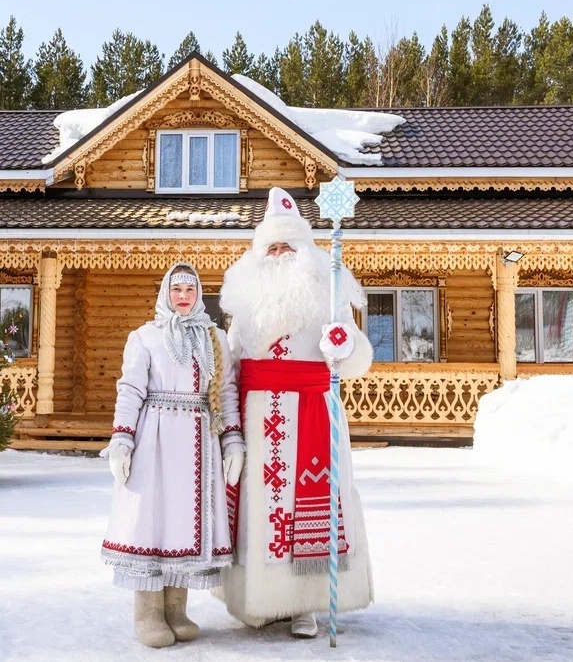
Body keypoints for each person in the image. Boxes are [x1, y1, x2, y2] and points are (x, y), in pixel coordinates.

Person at [214, 186, 375, 638]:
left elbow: (355, 358)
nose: (280, 253)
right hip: (259, 415)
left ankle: (305, 604)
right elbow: (233, 362)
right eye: (272, 246)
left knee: (309, 504)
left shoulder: (328, 294)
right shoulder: (244, 305)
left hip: (312, 412)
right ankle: (260, 600)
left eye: (288, 245)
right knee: (261, 509)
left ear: (305, 250)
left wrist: (344, 345)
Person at [100, 262, 246, 648]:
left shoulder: (215, 339)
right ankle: (147, 612)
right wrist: (122, 440)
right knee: (153, 520)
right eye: (176, 289)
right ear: (166, 293)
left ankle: (176, 609)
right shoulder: (145, 337)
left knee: (185, 522)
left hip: (199, 443)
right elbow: (130, 389)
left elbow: (227, 392)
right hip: (156, 439)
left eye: (190, 290)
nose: (183, 297)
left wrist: (233, 442)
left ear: (199, 295)